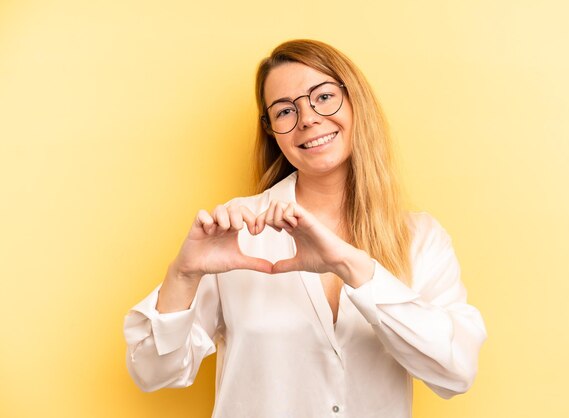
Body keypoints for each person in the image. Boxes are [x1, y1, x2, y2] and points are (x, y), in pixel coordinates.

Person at [123, 39, 487, 418]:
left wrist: (353, 268)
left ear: (355, 100)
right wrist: (183, 274)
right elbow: (153, 373)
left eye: (324, 97)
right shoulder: (235, 230)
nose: (308, 118)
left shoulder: (421, 238)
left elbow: (455, 372)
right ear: (273, 132)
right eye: (284, 112)